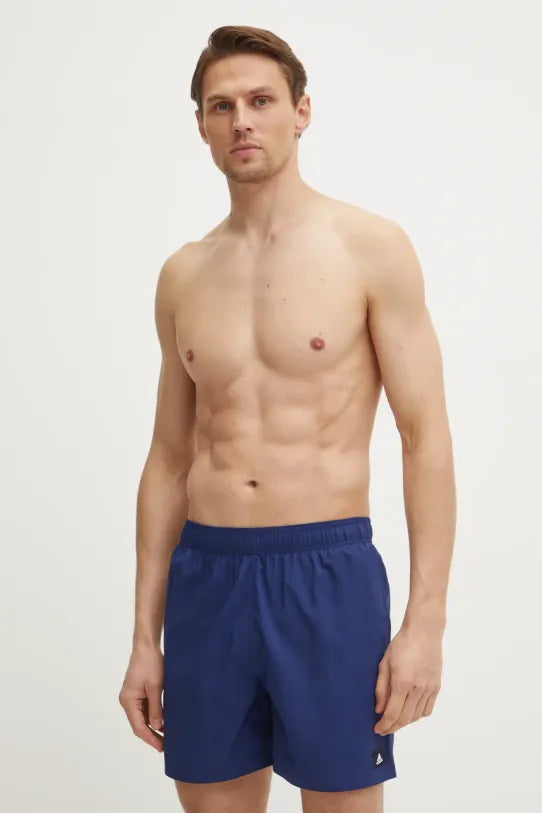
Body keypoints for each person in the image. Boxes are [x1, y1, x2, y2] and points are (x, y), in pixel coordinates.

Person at [119, 24, 456, 813]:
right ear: (202, 125)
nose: (241, 120)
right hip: (208, 577)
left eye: (261, 100)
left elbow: (425, 437)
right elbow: (168, 459)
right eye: (222, 106)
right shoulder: (183, 275)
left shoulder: (369, 248)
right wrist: (143, 637)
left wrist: (426, 622)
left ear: (301, 112)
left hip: (326, 574)